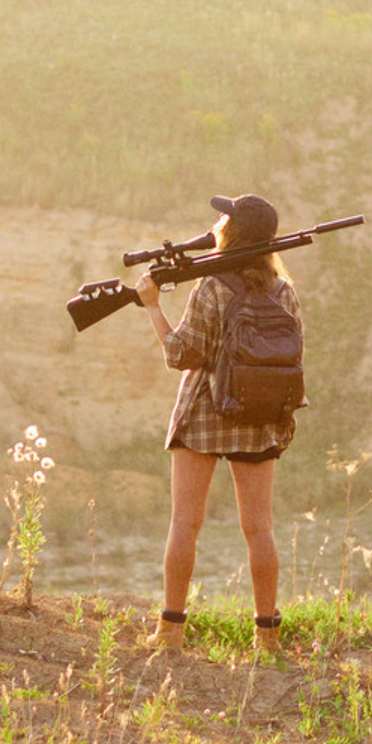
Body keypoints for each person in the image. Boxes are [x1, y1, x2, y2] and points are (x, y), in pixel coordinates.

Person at [137, 192, 299, 655]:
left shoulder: (211, 286)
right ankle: (267, 636)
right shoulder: (283, 290)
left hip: (205, 414)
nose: (218, 221)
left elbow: (181, 354)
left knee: (185, 523)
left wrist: (152, 306)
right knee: (259, 528)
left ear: (231, 231)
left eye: (223, 217)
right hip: (258, 415)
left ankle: (170, 630)